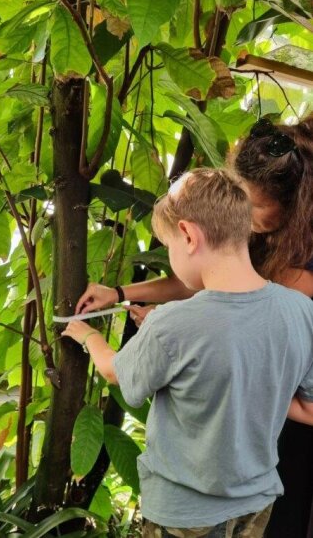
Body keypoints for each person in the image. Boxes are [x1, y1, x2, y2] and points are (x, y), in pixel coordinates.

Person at [75, 114, 313, 538]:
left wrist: (89, 333)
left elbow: (121, 369)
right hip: (256, 498)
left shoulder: (300, 275)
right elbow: (220, 291)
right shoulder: (298, 309)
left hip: (189, 508)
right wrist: (122, 291)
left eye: (253, 205)